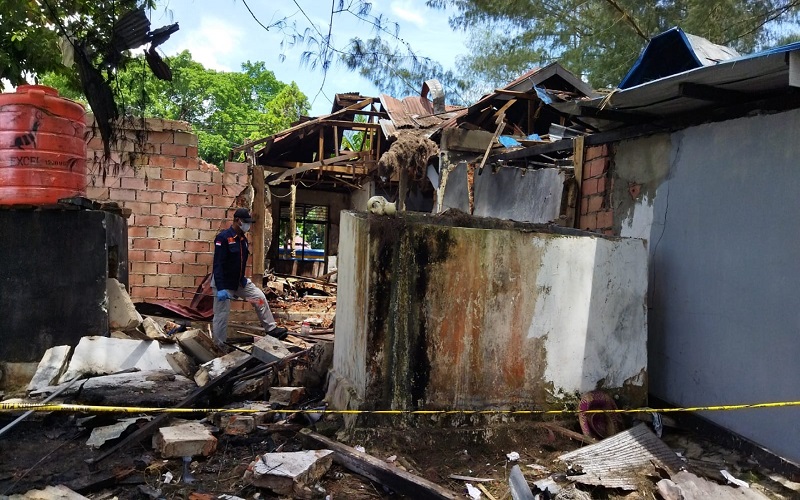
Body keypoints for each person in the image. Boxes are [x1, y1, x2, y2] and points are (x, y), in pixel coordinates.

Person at [211, 208, 288, 347]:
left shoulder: (243, 240)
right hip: (223, 284)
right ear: (237, 221)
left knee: (258, 298)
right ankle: (218, 347)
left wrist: (243, 279)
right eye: (245, 222)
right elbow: (218, 265)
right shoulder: (223, 238)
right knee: (221, 317)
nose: (248, 225)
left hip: (239, 282)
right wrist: (221, 288)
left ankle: (271, 329)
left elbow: (240, 263)